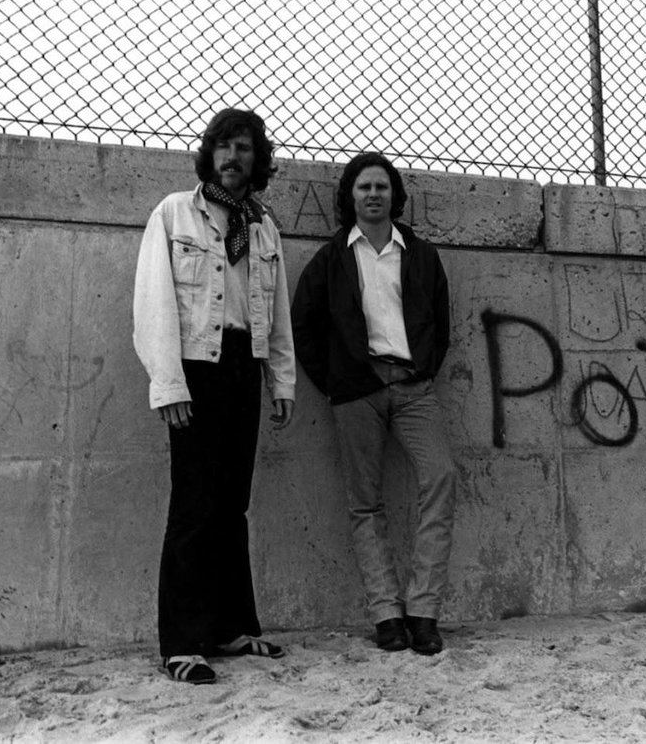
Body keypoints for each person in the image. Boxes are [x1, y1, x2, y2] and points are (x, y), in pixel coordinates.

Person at [133, 108, 296, 684]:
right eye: (224, 147)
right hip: (196, 370)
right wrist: (168, 381)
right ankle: (181, 642)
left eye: (245, 148)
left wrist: (281, 380)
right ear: (209, 154)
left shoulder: (262, 226)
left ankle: (228, 627)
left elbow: (275, 315)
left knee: (233, 504)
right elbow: (153, 302)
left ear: (258, 159)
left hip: (242, 369)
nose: (234, 158)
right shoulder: (176, 213)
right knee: (194, 506)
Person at [291, 152, 456, 655]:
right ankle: (387, 615)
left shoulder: (421, 254)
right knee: (366, 503)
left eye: (381, 187)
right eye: (363, 187)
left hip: (413, 388)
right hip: (355, 391)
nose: (373, 195)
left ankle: (423, 611)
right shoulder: (332, 257)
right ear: (350, 196)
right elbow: (303, 325)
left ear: (394, 195)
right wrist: (337, 383)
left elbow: (440, 322)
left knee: (441, 476)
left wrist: (423, 366)